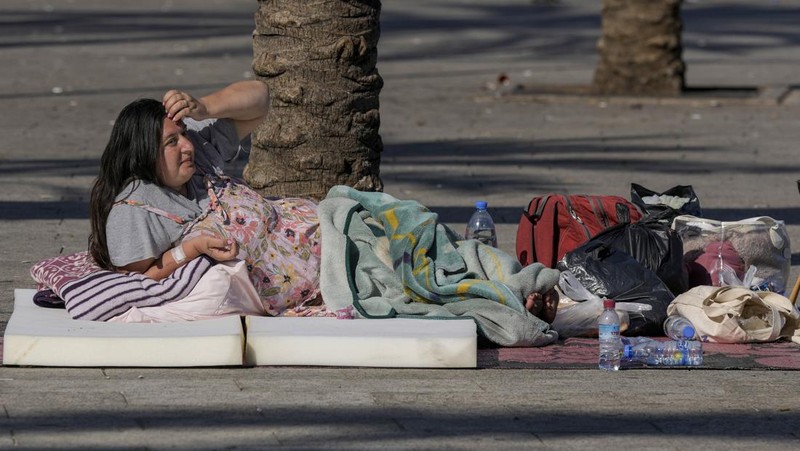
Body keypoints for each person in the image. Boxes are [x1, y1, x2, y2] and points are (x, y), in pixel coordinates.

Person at [87, 79, 558, 323]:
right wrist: (187, 250)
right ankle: (520, 295)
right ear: (142, 155)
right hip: (337, 271)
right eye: (171, 143)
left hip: (340, 228)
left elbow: (259, 97)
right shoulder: (136, 207)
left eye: (182, 136)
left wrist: (203, 108)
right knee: (424, 270)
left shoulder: (201, 161)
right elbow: (139, 280)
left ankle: (526, 285)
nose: (186, 146)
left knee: (425, 233)